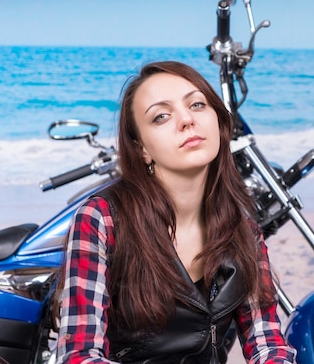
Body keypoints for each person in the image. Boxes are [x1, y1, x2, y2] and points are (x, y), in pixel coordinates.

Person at [55, 61, 296, 363]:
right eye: (161, 116)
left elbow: (267, 343)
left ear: (219, 123)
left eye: (197, 104)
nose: (186, 120)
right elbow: (79, 355)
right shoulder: (101, 218)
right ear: (141, 148)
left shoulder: (243, 228)